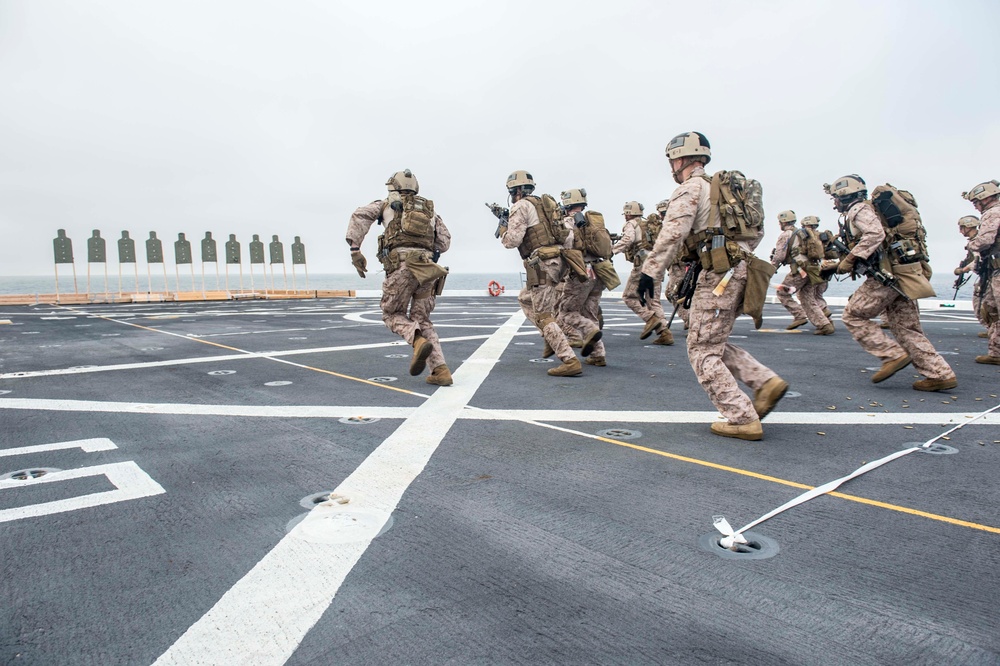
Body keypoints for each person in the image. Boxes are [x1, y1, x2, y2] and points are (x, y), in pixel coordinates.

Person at [637, 131, 788, 441]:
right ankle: (764, 381)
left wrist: (648, 272)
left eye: (672, 161)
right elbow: (756, 233)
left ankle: (742, 417)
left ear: (680, 159)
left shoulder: (691, 189)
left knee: (701, 349)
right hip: (741, 270)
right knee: (711, 339)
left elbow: (672, 233)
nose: (671, 167)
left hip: (718, 275)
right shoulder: (724, 193)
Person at [825, 174, 956, 390]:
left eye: (836, 198)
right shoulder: (871, 209)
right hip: (905, 273)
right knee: (907, 328)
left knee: (853, 315)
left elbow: (875, 234)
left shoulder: (858, 210)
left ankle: (891, 355)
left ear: (844, 195)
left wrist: (850, 259)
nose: (835, 203)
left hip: (886, 276)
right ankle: (940, 374)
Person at [346, 169, 453, 386]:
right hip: (428, 269)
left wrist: (355, 250)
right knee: (422, 318)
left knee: (391, 313)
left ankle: (417, 340)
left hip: (402, 268)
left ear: (393, 187)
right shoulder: (430, 211)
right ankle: (440, 370)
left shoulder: (385, 205)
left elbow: (359, 215)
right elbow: (444, 243)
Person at [498, 170, 582, 376]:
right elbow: (568, 238)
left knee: (544, 315)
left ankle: (568, 359)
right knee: (526, 299)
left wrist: (502, 228)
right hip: (558, 261)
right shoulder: (548, 205)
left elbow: (512, 241)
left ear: (515, 190)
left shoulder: (520, 206)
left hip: (542, 264)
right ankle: (549, 339)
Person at [556, 188, 609, 365]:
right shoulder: (592, 223)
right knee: (590, 311)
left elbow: (567, 245)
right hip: (600, 271)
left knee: (566, 312)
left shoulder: (568, 222)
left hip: (582, 273)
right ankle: (598, 354)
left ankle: (590, 331)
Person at [612, 200, 673, 345]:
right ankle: (665, 333)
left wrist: (611, 251)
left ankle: (650, 319)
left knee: (629, 297)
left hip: (643, 266)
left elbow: (628, 239)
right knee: (654, 301)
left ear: (628, 213)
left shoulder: (631, 224)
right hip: (658, 264)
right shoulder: (650, 225)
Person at [962, 180, 1000, 364]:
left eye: (977, 202)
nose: (976, 206)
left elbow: (985, 239)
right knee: (992, 309)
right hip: (994, 269)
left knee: (994, 310)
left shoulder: (993, 213)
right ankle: (996, 352)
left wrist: (971, 245)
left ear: (987, 198)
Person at [787, 216, 835, 334]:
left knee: (792, 293)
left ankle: (805, 316)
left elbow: (796, 253)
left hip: (806, 269)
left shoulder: (803, 235)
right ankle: (825, 317)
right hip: (821, 269)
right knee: (814, 295)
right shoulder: (822, 236)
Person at [770, 210, 809, 330]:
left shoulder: (785, 235)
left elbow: (779, 255)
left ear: (783, 222)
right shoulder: (802, 233)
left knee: (782, 292)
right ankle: (824, 323)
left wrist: (771, 268)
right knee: (809, 295)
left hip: (798, 270)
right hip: (809, 268)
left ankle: (799, 315)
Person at [953, 215, 991, 338]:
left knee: (985, 304)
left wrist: (963, 270)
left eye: (962, 228)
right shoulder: (973, 242)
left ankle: (993, 330)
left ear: (968, 227)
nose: (960, 231)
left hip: (990, 276)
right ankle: (992, 329)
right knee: (982, 304)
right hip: (985, 276)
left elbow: (977, 260)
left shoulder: (980, 242)